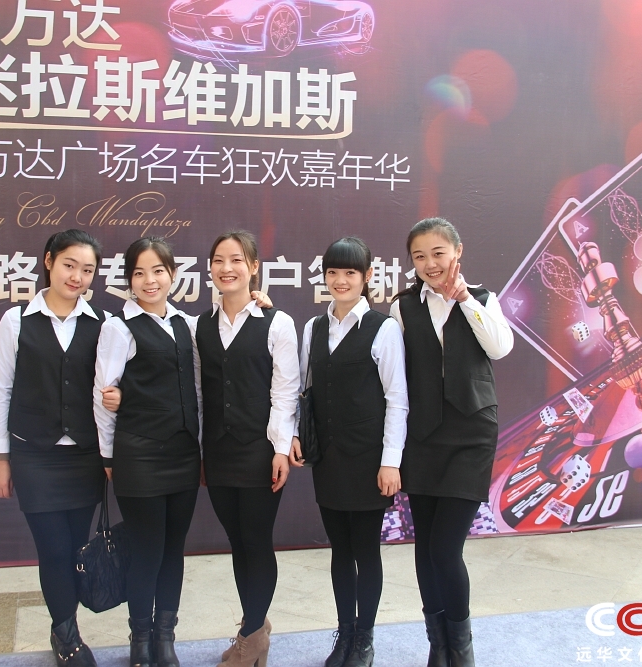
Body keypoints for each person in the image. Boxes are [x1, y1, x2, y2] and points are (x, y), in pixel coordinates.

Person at [389, 217, 514, 667]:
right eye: (419, 256)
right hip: (423, 437)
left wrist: (464, 301)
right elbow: (394, 373)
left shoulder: (482, 299)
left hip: (471, 435)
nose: (429, 264)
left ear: (457, 252)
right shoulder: (403, 307)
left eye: (438, 253)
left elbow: (499, 347)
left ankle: (461, 648)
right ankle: (438, 645)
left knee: (445, 549)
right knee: (425, 548)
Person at [0, 229, 108, 667]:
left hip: (85, 456)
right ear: (49, 261)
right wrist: (1, 459)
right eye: (69, 265)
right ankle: (67, 635)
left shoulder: (103, 323)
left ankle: (65, 626)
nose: (77, 277)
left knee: (75, 549)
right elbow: (2, 391)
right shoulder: (16, 320)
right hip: (33, 455)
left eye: (87, 270)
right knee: (53, 549)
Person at [289, 237, 408, 667]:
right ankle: (344, 634)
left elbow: (397, 399)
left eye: (350, 273)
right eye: (333, 272)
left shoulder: (383, 328)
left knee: (365, 551)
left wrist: (390, 461)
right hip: (329, 460)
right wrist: (296, 434)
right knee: (340, 551)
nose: (340, 281)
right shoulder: (312, 329)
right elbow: (304, 389)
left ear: (367, 277)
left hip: (368, 461)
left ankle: (364, 639)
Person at [93, 237, 202, 667]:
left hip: (183, 455)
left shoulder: (187, 324)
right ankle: (140, 638)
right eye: (139, 273)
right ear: (129, 280)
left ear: (172, 275)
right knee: (147, 552)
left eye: (158, 271)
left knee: (173, 550)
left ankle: (165, 637)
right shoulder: (118, 327)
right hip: (137, 456)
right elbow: (103, 395)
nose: (149, 280)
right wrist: (108, 456)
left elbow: (196, 388)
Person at [197, 230, 300, 667]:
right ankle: (256, 624)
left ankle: (251, 637)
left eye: (237, 259)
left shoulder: (277, 322)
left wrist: (279, 447)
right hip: (218, 452)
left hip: (260, 452)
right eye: (219, 260)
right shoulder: (200, 325)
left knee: (256, 541)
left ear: (254, 267)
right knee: (237, 542)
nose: (227, 268)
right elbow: (199, 392)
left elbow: (286, 390)